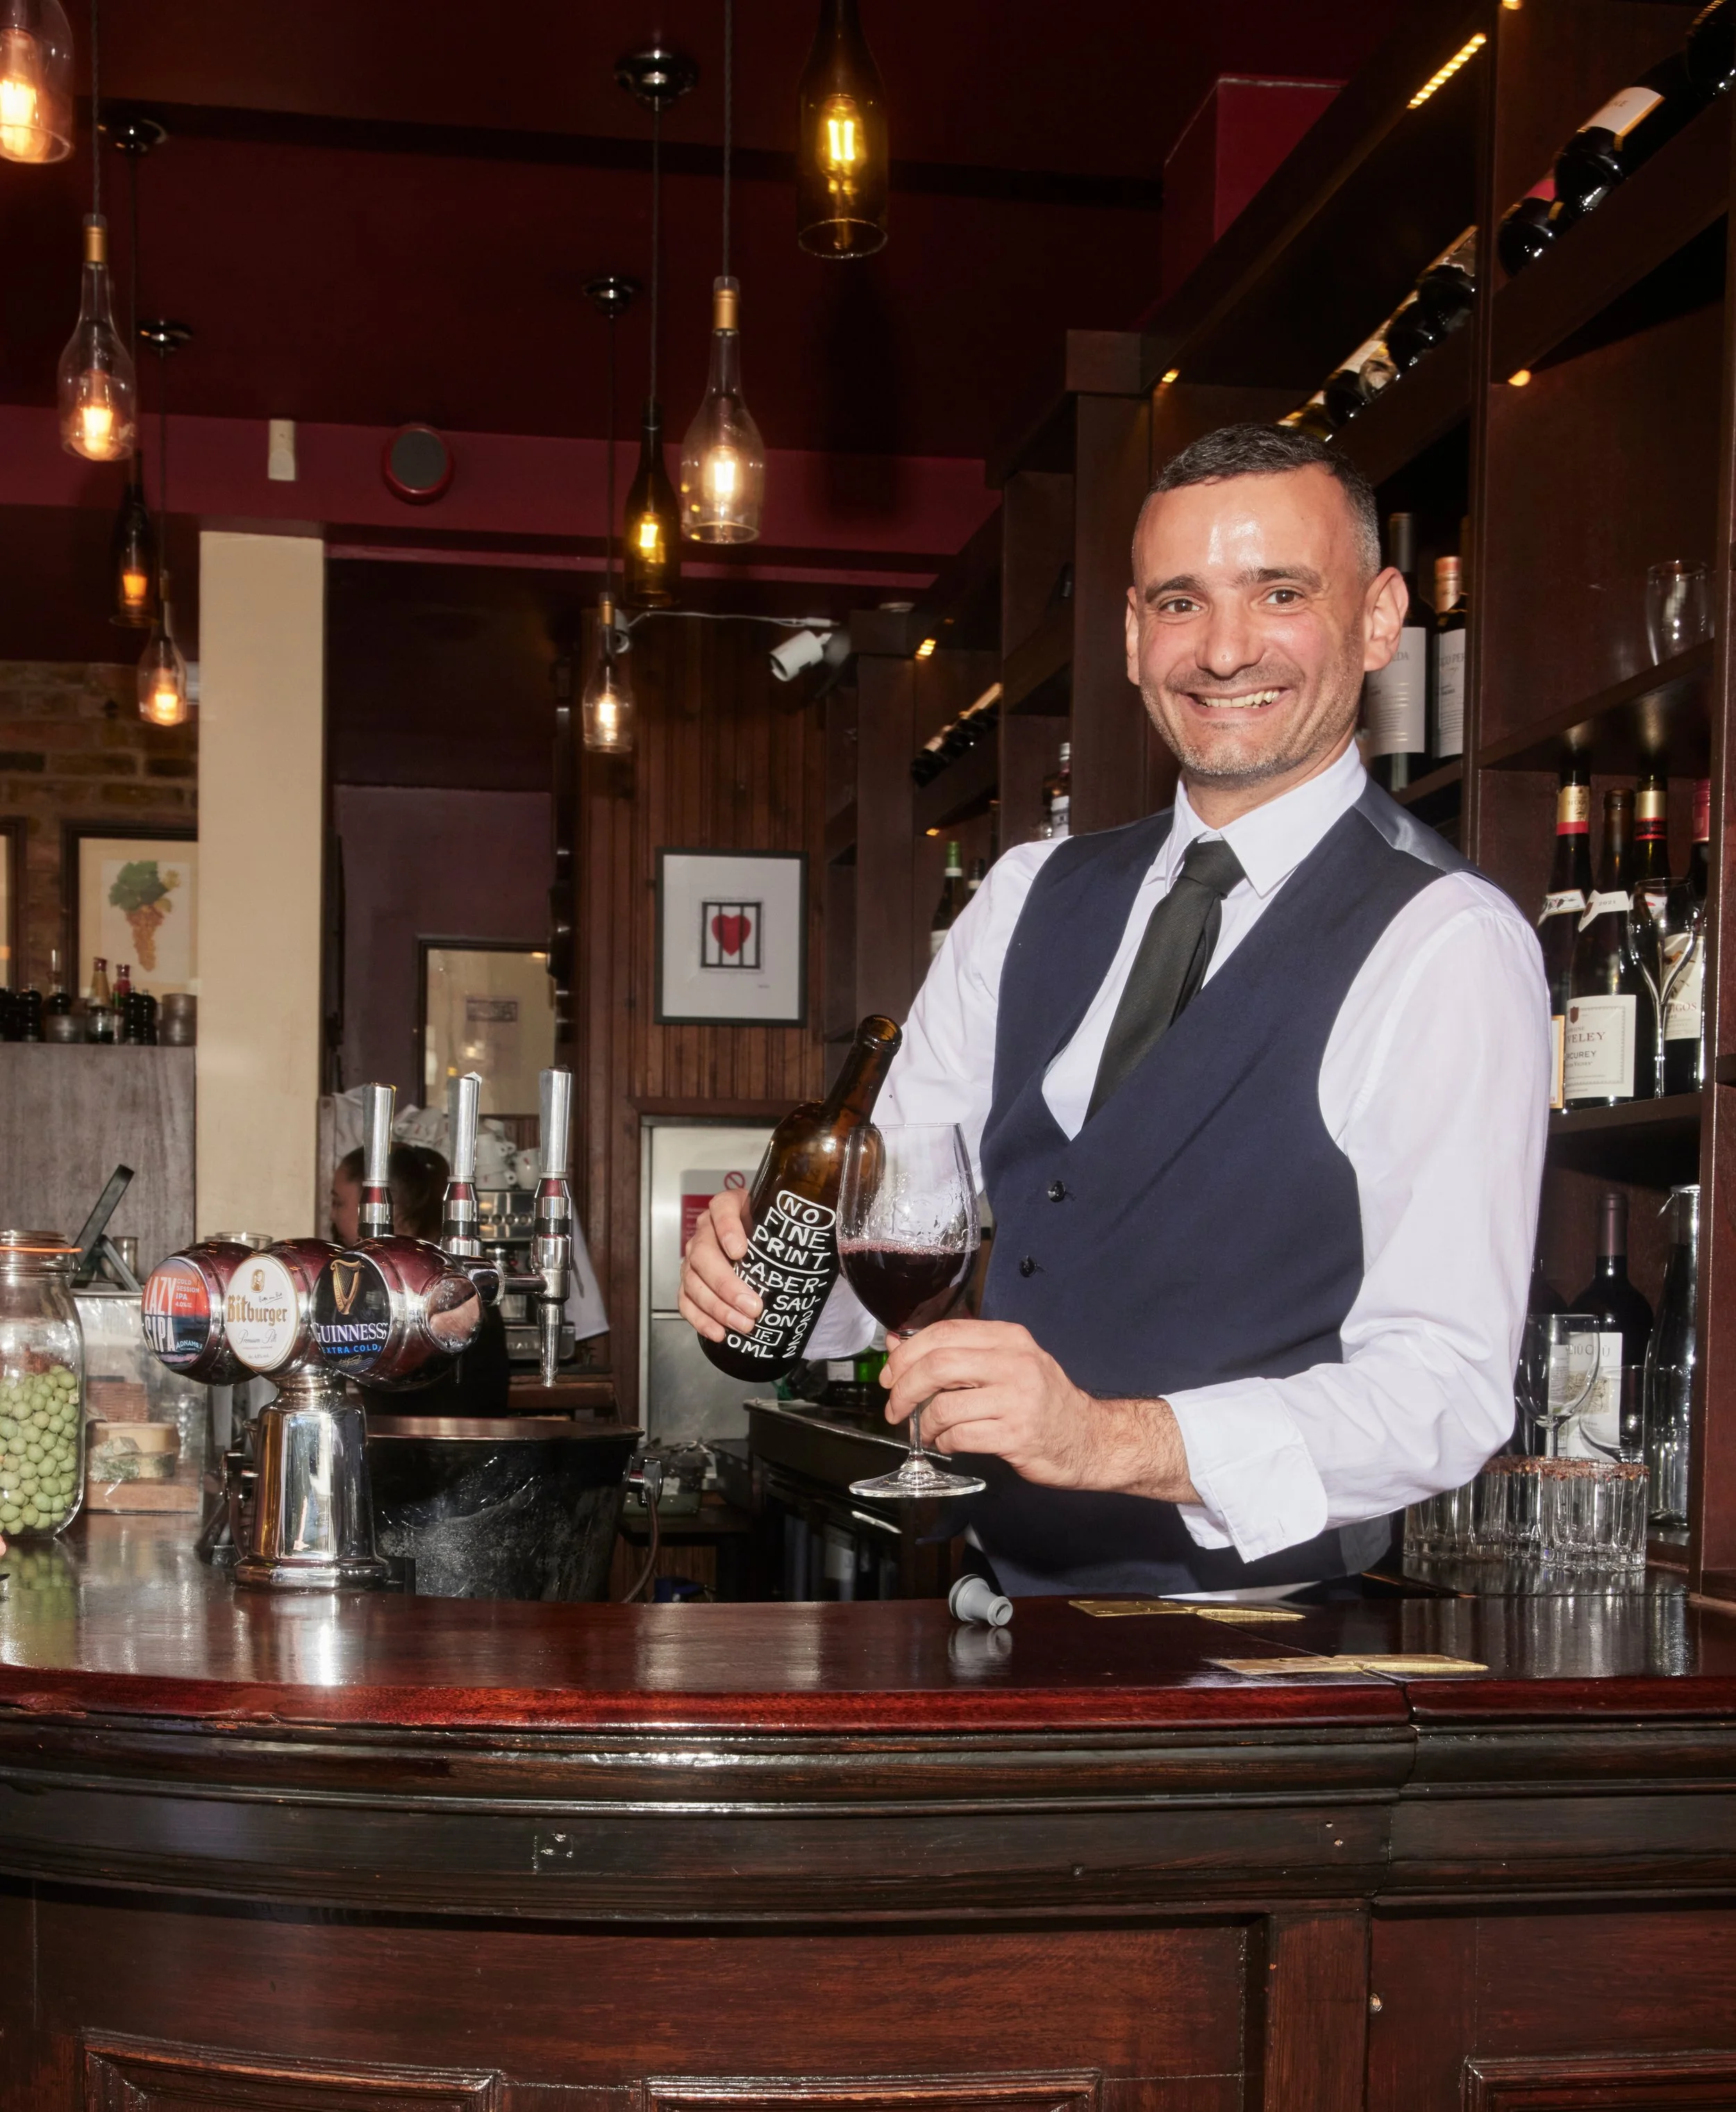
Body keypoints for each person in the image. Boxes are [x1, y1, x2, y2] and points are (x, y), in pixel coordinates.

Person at [681, 422, 1549, 1598]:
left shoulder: (1445, 941)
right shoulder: (1031, 894)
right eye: (1181, 603)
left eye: (1279, 592)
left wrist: (1111, 1442)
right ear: (1137, 638)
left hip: (1259, 1647)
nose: (1226, 648)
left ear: (1382, 617)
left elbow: (1443, 1391)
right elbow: (902, 1215)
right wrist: (761, 1292)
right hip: (994, 1611)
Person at [330, 1141, 512, 1415]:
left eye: (338, 1202)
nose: (333, 1216)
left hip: (431, 1451)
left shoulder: (406, 1294)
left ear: (377, 1206)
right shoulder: (453, 1277)